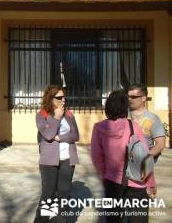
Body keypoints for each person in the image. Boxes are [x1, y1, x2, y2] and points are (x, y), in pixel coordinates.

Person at [91, 90, 155, 223]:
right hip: (136, 182)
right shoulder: (133, 126)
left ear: (108, 107)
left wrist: (104, 176)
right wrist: (150, 182)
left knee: (113, 219)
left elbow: (97, 158)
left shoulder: (98, 128)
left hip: (112, 182)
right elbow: (145, 156)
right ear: (125, 107)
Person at [34, 85, 79, 223]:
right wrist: (57, 118)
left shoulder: (69, 114)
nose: (63, 100)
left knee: (63, 194)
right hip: (48, 161)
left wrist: (59, 138)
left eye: (64, 97)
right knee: (48, 194)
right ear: (50, 98)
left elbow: (75, 135)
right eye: (59, 97)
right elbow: (47, 134)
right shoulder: (42, 115)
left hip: (67, 159)